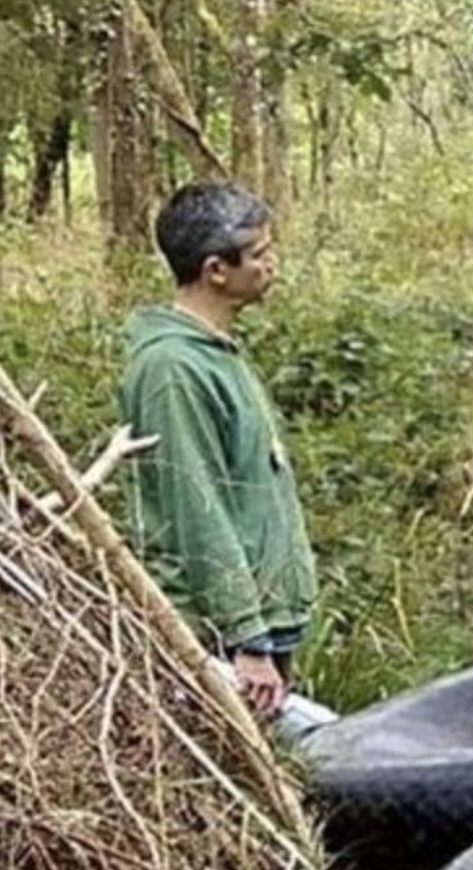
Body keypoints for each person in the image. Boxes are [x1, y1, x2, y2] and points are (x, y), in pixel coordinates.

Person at [119, 181, 317, 720]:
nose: (271, 263)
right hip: (219, 636)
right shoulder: (173, 371)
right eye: (259, 254)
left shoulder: (215, 353)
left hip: (260, 619)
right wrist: (247, 640)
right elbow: (196, 507)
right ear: (215, 271)